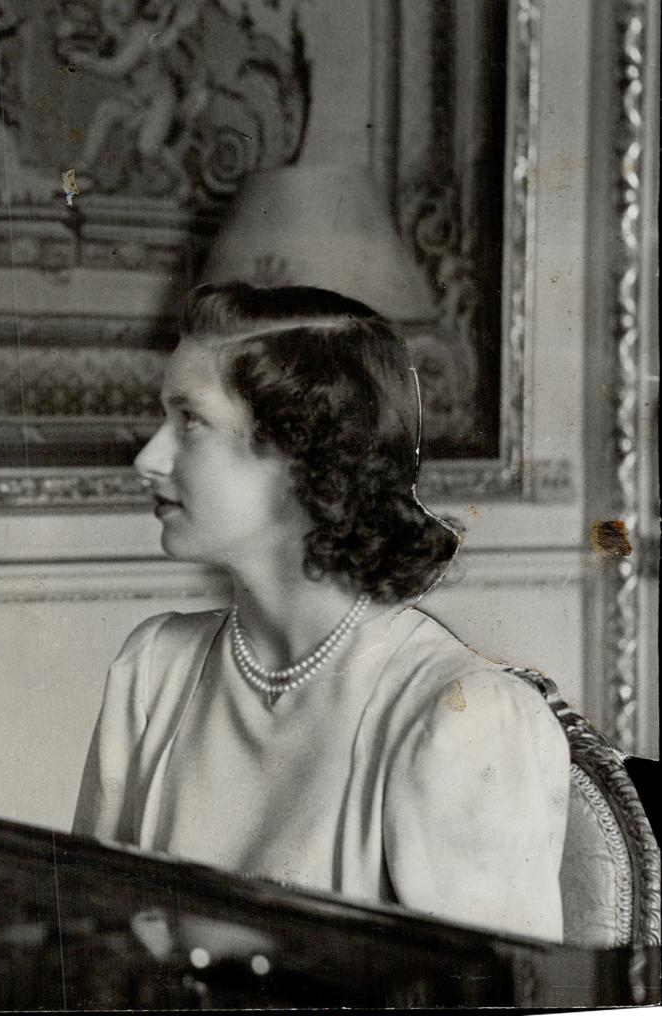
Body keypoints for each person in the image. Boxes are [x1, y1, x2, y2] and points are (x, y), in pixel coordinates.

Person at [74, 282, 570, 941]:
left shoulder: (462, 719)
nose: (147, 458)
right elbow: (89, 943)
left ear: (298, 449)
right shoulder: (155, 667)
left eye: (188, 421)